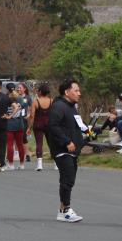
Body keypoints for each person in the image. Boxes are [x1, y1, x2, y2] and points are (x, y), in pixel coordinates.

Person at [48, 80, 84, 222]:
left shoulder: (71, 107)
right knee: (67, 179)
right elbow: (53, 126)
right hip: (62, 149)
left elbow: (77, 125)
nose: (79, 93)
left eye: (79, 90)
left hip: (73, 149)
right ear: (67, 92)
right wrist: (66, 141)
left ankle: (62, 210)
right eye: (76, 90)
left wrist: (89, 132)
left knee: (70, 180)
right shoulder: (58, 106)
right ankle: (66, 210)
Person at [30, 84, 52, 172]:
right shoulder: (52, 101)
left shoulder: (35, 102)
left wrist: (29, 127)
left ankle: (39, 164)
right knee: (52, 143)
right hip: (49, 124)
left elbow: (32, 116)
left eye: (38, 91)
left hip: (38, 124)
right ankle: (56, 164)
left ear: (40, 92)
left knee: (39, 143)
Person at [5, 91, 27, 170]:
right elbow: (25, 105)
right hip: (19, 125)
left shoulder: (7, 103)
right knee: (20, 144)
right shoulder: (20, 102)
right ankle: (22, 164)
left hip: (9, 125)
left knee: (10, 145)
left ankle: (11, 164)